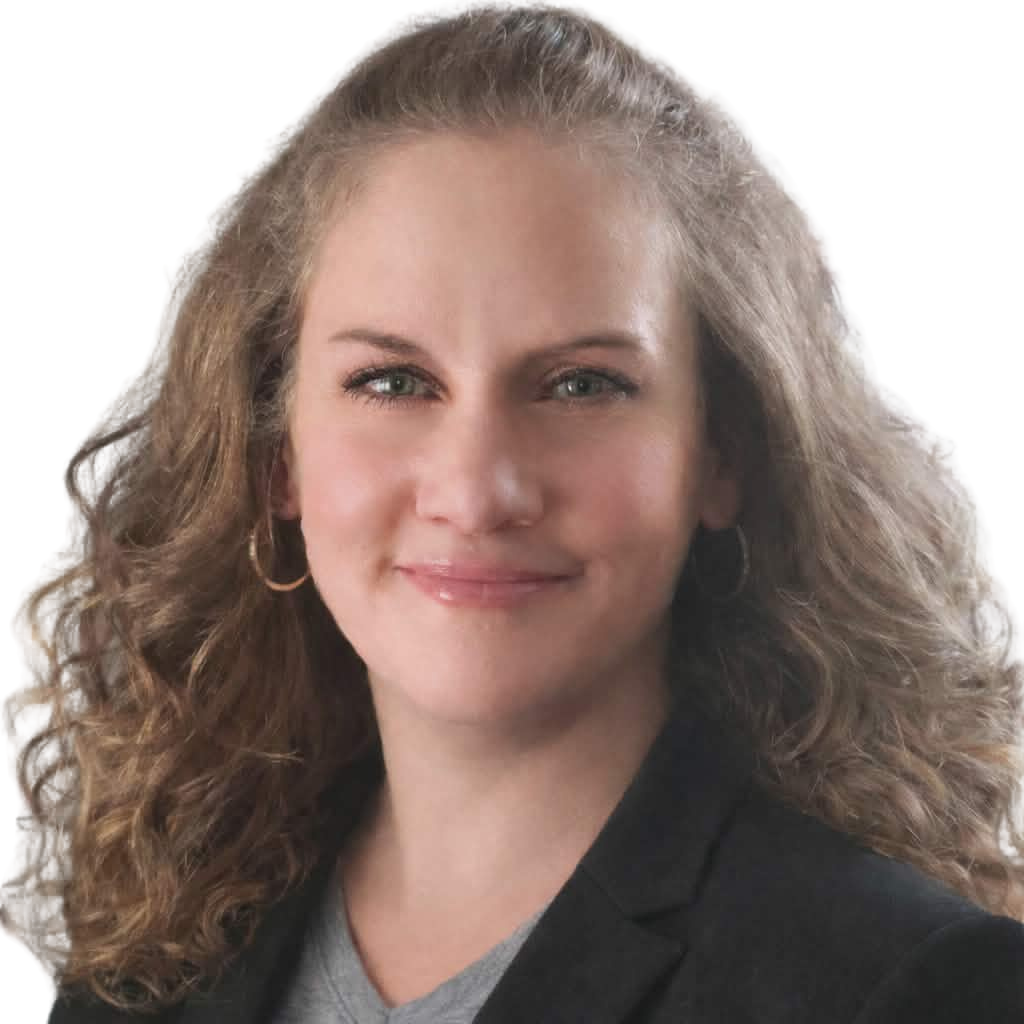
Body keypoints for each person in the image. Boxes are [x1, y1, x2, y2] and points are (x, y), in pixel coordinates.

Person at [3, 3, 1023, 1021]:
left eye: (580, 385)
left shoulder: (913, 987)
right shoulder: (147, 967)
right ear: (277, 453)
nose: (477, 490)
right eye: (393, 381)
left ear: (723, 454)